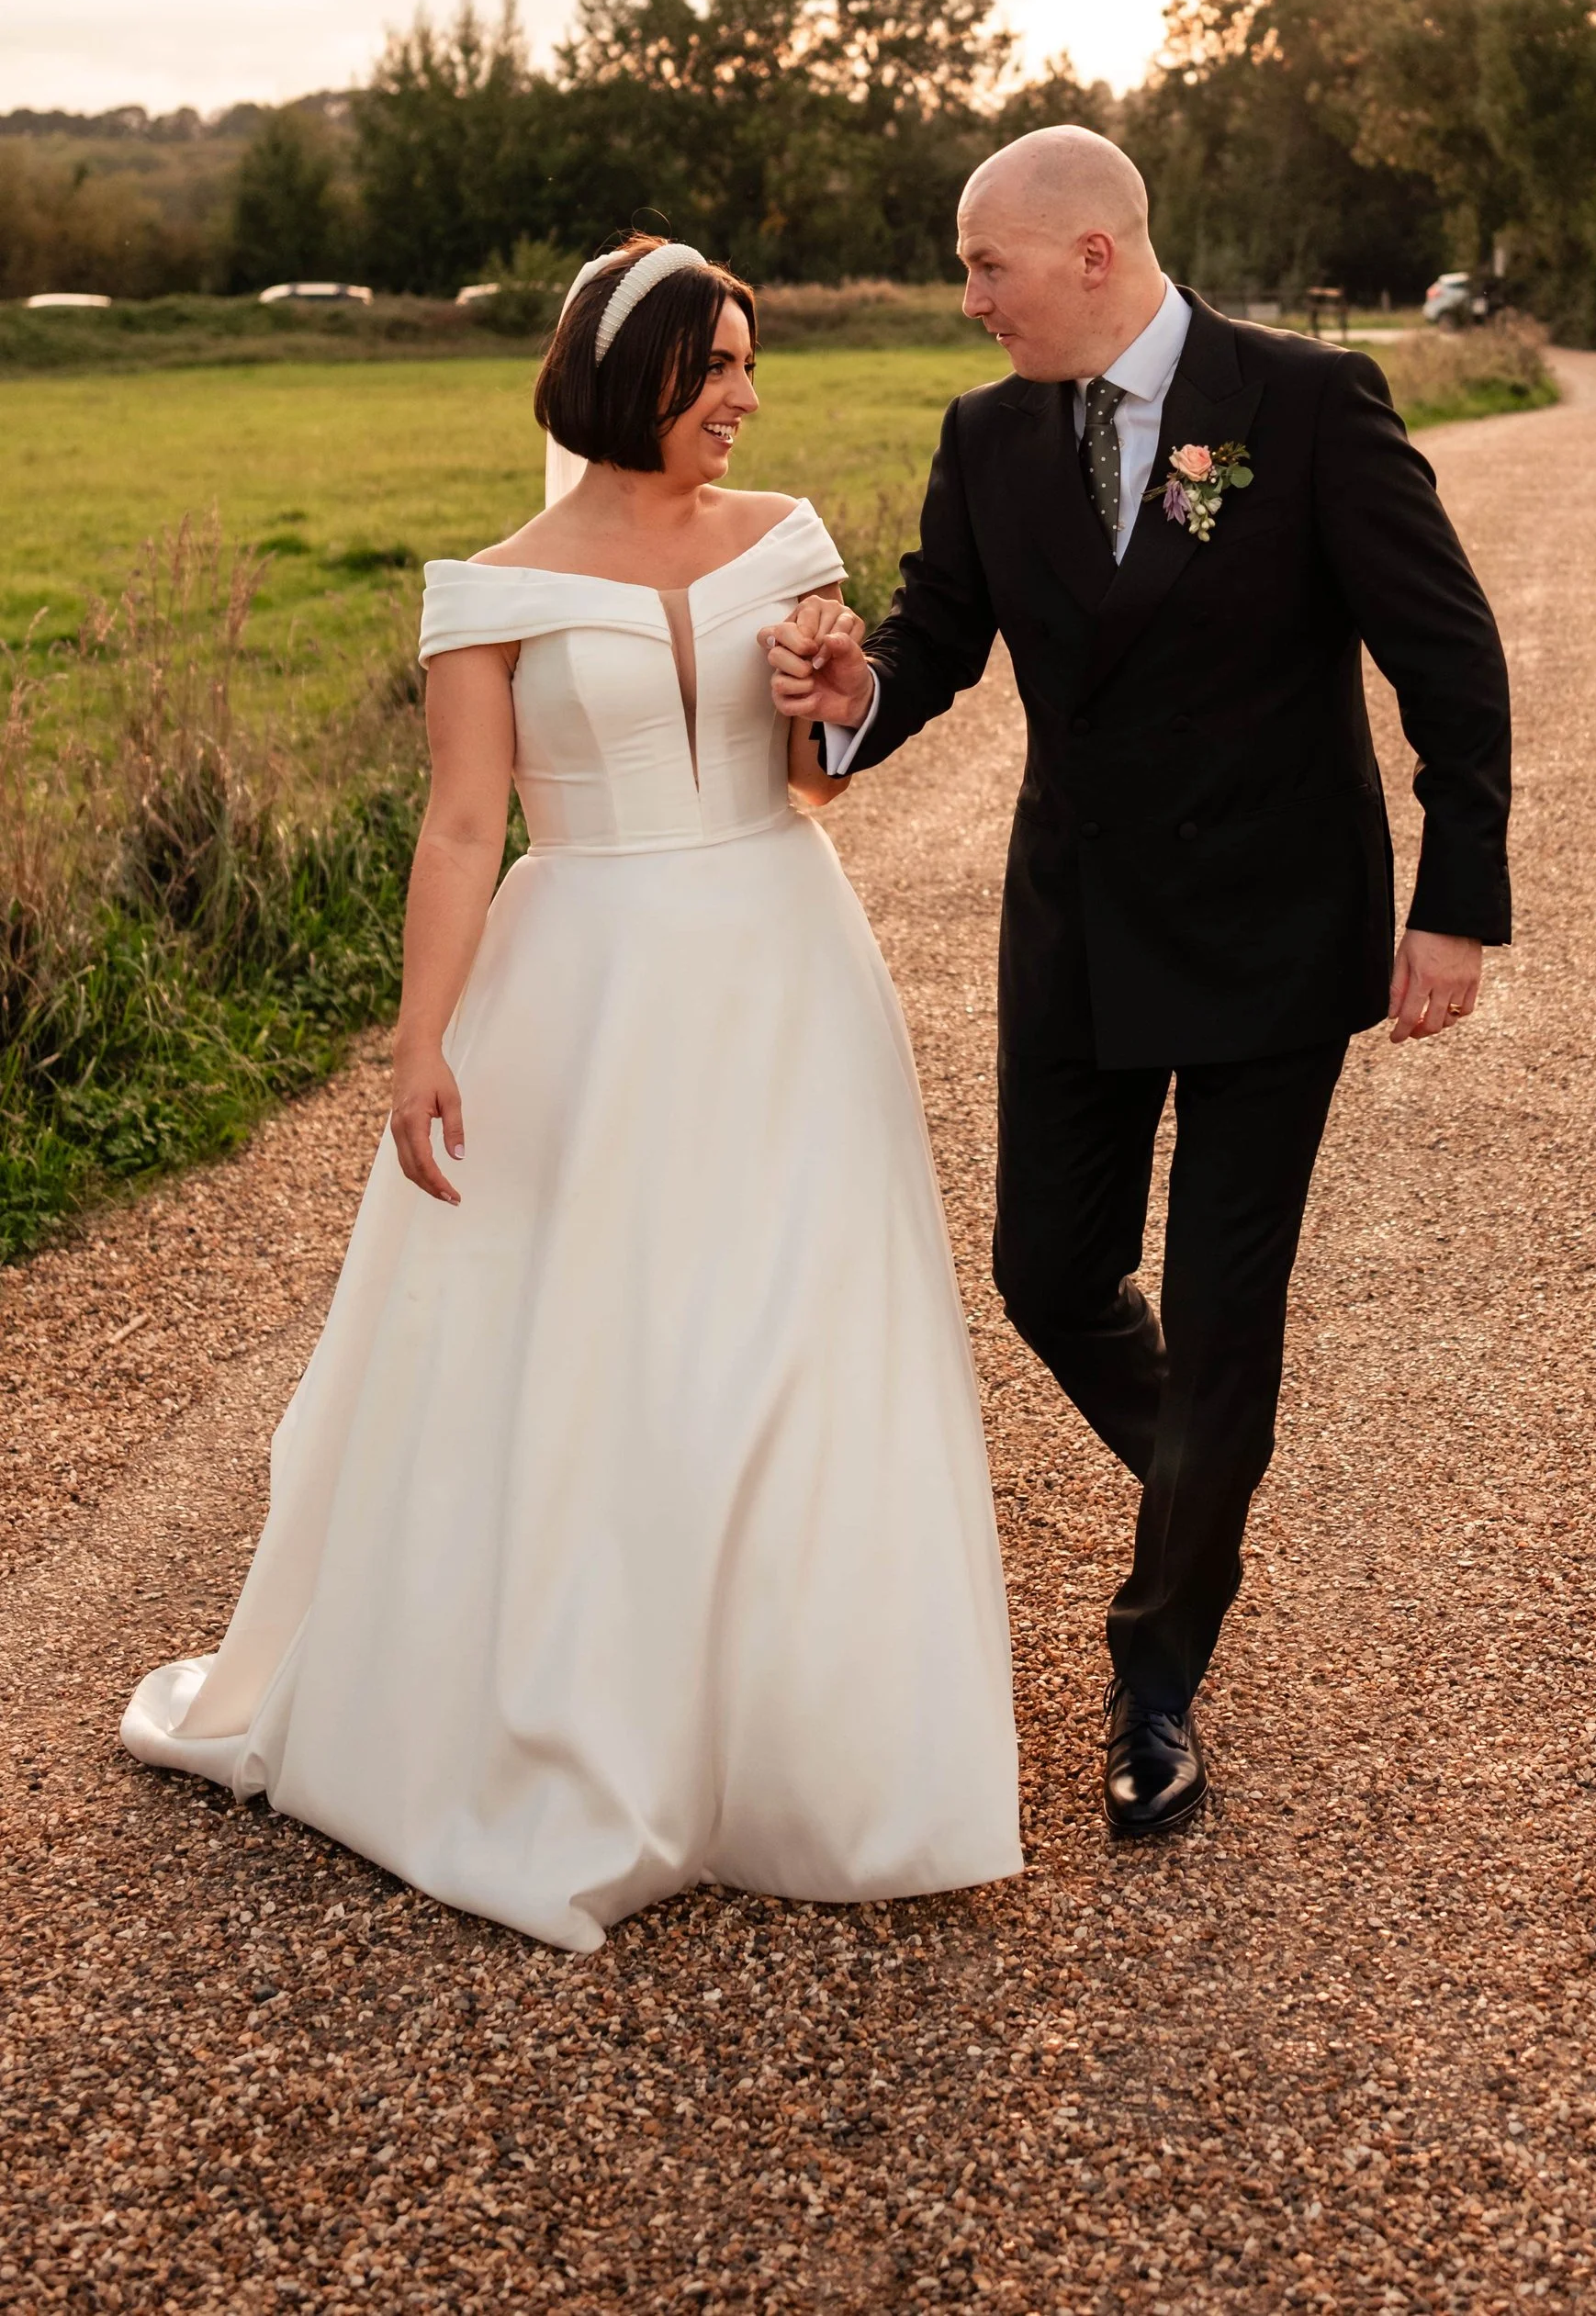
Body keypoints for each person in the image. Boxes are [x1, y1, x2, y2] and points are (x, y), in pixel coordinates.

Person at [123, 234, 1020, 1951]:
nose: (749, 398)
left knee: (798, 1333)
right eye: (720, 370)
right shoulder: (492, 588)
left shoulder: (791, 542)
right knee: (607, 1337)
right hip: (591, 982)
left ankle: (819, 1744)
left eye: (753, 365)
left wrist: (829, 710)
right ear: (633, 380)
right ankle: (588, 1726)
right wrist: (418, 1039)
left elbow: (820, 775)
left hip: (784, 963)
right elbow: (466, 827)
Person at [766, 130, 1512, 1841]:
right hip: (1078, 930)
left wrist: (1458, 897)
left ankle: (1156, 1670)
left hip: (1273, 937)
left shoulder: (1307, 404)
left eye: (987, 266)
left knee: (1226, 1306)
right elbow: (935, 639)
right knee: (1044, 1271)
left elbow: (1451, 659)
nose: (968, 300)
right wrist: (846, 692)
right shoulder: (986, 433)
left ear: (1095, 251)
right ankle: (1212, 1477)